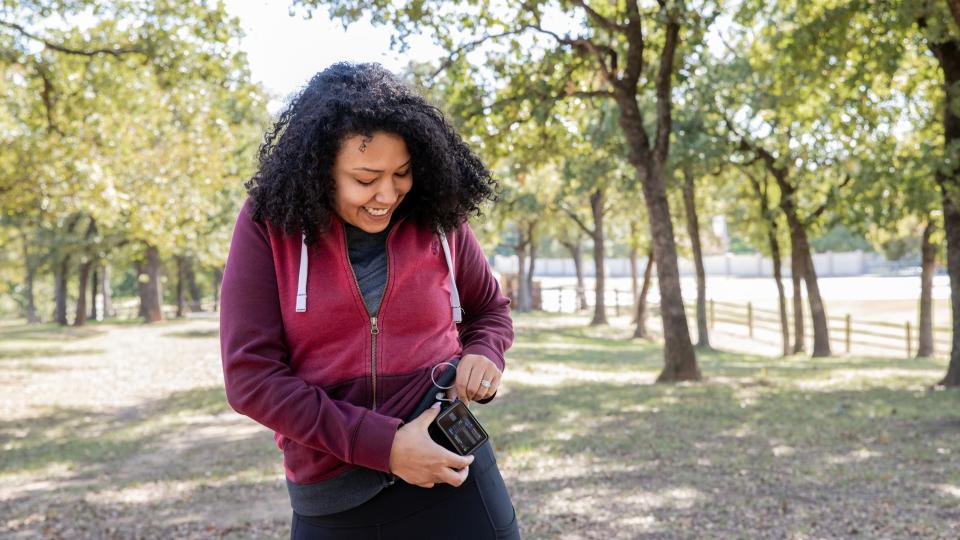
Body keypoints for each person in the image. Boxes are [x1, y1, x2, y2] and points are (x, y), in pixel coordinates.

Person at [219, 62, 520, 539]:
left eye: (401, 173)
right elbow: (250, 378)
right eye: (365, 178)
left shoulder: (439, 216)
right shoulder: (268, 225)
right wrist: (389, 447)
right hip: (333, 493)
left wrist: (484, 353)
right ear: (320, 170)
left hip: (451, 471)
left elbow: (488, 309)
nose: (387, 194)